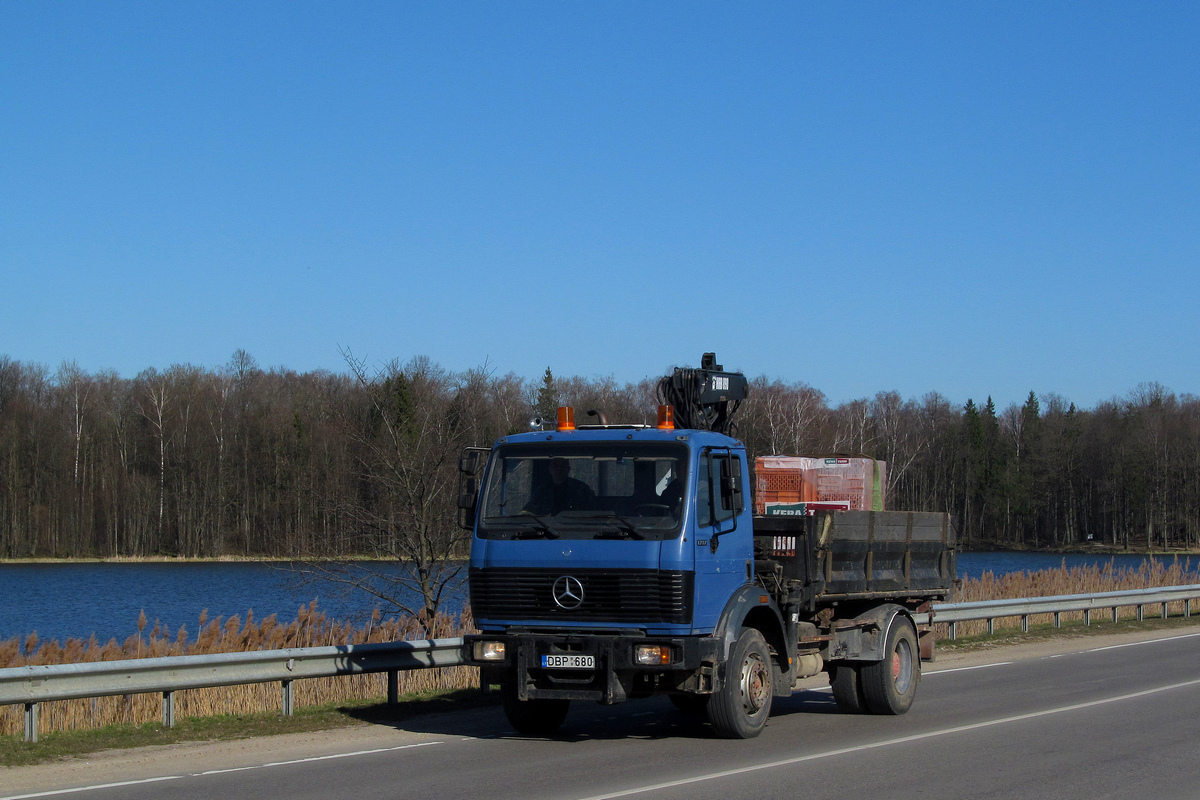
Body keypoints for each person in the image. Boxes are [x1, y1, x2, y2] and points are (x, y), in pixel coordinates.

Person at [526, 458, 595, 515]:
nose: (559, 469)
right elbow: (528, 512)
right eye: (555, 466)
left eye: (562, 466)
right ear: (550, 469)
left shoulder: (581, 489)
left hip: (577, 529)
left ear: (568, 469)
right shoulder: (542, 491)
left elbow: (593, 512)